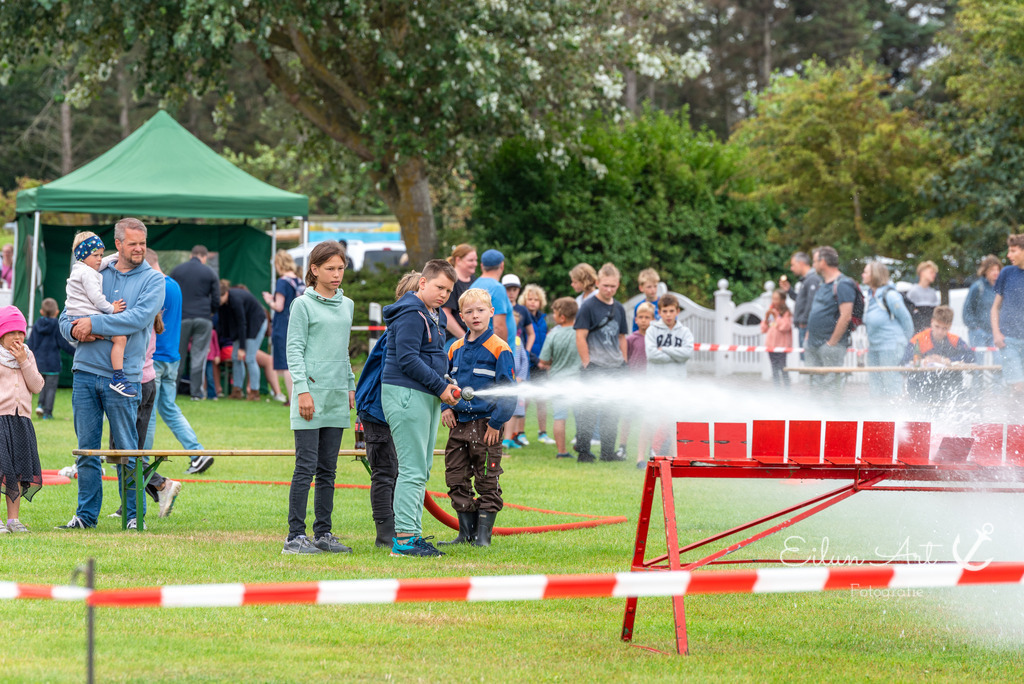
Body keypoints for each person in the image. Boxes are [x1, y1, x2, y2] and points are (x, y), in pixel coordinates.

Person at [56, 217, 165, 530]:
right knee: (86, 449)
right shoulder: (93, 269)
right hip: (85, 372)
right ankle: (85, 516)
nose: (139, 249)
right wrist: (75, 331)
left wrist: (95, 324)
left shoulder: (153, 280)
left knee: (127, 450)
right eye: (132, 243)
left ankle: (133, 516)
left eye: (142, 243)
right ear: (118, 244)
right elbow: (67, 315)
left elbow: (137, 319)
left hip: (124, 376)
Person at [381, 259, 460, 557]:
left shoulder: (432, 314)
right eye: (439, 287)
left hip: (424, 395)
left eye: (449, 290)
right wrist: (441, 387)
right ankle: (403, 541)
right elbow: (407, 359)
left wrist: (444, 383)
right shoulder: (412, 314)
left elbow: (428, 358)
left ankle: (412, 534)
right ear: (423, 283)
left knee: (421, 469)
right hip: (406, 394)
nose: (443, 294)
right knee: (413, 470)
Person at [282, 240, 356, 555]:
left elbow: (343, 352)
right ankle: (294, 537)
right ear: (314, 270)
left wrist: (351, 384)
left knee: (328, 469)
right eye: (330, 268)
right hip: (309, 396)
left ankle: (323, 533)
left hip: (338, 395)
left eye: (340, 268)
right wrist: (302, 391)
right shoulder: (302, 304)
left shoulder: (348, 305)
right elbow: (293, 350)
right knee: (306, 466)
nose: (337, 274)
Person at [439, 288, 516, 547]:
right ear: (461, 316)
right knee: (455, 476)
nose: (475, 316)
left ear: (491, 312)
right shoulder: (455, 349)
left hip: (486, 426)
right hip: (459, 424)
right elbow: (445, 383)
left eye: (480, 310)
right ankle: (465, 534)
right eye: (469, 312)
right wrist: (446, 408)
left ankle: (483, 537)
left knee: (486, 478)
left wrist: (496, 422)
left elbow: (509, 391)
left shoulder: (500, 348)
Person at [354, 271, 422, 548]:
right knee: (385, 470)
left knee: (398, 469)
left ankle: (401, 528)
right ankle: (385, 534)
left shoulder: (411, 325)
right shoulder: (402, 327)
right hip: (378, 409)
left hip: (393, 408)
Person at [144, 250, 210, 476]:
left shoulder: (155, 286)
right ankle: (197, 453)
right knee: (169, 408)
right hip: (172, 357)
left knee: (148, 411)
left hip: (155, 358)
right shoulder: (174, 285)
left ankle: (141, 460)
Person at [65, 232, 133, 397]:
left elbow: (102, 263)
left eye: (101, 255)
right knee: (120, 338)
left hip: (75, 317)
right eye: (96, 255)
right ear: (83, 255)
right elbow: (96, 297)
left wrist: (118, 254)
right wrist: (111, 308)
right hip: (87, 316)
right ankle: (118, 377)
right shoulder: (88, 274)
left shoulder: (81, 268)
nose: (99, 259)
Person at [574, 262, 629, 463]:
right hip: (594, 366)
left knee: (612, 411)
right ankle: (584, 452)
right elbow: (580, 337)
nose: (609, 289)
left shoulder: (619, 308)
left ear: (618, 285)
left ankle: (608, 452)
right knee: (588, 411)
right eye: (605, 285)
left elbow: (622, 337)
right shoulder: (588, 306)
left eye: (613, 286)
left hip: (615, 366)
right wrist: (587, 363)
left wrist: (624, 362)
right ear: (597, 282)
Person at [0, 306, 44, 533]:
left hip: (21, 421)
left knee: (17, 471)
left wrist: (24, 361)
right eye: (11, 333)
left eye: (21, 332)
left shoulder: (28, 355)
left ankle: (13, 520)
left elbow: (37, 386)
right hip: (0, 420)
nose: (17, 337)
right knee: (1, 469)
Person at [804, 246, 857, 395]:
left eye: (815, 261)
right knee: (814, 388)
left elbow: (845, 316)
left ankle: (833, 416)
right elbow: (815, 312)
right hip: (813, 344)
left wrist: (831, 343)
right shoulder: (822, 284)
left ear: (823, 262)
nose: (813, 265)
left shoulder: (843, 284)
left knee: (831, 388)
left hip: (830, 346)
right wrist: (808, 337)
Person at [645, 294, 694, 454]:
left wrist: (665, 349)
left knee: (674, 420)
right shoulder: (652, 330)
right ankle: (653, 451)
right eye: (664, 311)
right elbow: (652, 355)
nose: (668, 315)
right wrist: (675, 355)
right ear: (659, 312)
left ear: (677, 311)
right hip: (656, 383)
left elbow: (687, 353)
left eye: (671, 311)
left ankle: (674, 455)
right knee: (655, 419)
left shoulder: (685, 331)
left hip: (677, 383)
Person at [170, 245, 220, 400]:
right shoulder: (210, 272)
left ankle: (172, 390)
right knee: (199, 356)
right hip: (203, 318)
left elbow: (170, 292)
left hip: (182, 318)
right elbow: (216, 299)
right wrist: (210, 311)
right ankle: (196, 393)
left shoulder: (177, 270)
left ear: (192, 255)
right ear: (204, 257)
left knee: (178, 355)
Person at [861, 261, 914, 399]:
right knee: (875, 385)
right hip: (875, 347)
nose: (863, 274)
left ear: (875, 275)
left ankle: (895, 416)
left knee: (891, 384)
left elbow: (906, 320)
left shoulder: (890, 295)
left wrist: (904, 343)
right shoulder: (870, 296)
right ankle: (877, 416)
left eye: (866, 272)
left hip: (891, 346)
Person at [537, 297, 581, 460]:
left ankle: (561, 451)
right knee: (580, 416)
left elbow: (543, 360)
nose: (553, 317)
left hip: (558, 382)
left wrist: (548, 363)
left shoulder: (553, 334)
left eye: (555, 313)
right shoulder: (581, 333)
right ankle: (581, 445)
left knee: (559, 417)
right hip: (578, 381)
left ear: (562, 317)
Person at [902, 305, 974, 402]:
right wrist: (922, 361)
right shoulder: (919, 339)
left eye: (944, 328)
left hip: (948, 386)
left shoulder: (954, 340)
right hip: (921, 387)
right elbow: (905, 361)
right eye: (937, 327)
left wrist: (948, 361)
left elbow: (971, 356)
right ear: (932, 322)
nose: (940, 332)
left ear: (950, 327)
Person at [262, 250, 304, 402]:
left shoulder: (282, 281)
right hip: (296, 323)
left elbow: (279, 306)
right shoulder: (298, 280)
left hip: (283, 325)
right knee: (297, 361)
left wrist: (269, 301)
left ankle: (292, 399)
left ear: (279, 264)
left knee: (286, 364)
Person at [27, 298, 75, 419]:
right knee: (51, 388)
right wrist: (77, 352)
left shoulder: (37, 324)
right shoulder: (57, 325)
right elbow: (63, 344)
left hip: (38, 363)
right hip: (53, 364)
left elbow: (31, 344)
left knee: (41, 385)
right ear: (57, 312)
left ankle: (40, 406)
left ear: (41, 311)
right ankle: (47, 412)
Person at [219, 280, 267, 400]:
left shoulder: (235, 299)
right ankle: (237, 391)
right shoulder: (223, 304)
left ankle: (255, 393)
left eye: (219, 297)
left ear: (225, 294)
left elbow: (242, 323)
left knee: (250, 358)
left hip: (257, 323)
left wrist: (242, 348)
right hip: (245, 326)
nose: (217, 300)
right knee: (235, 357)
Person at [502, 274, 533, 448]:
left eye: (515, 289)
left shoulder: (518, 342)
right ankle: (503, 438)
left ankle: (510, 438)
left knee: (517, 409)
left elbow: (524, 361)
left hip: (518, 381)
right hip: (506, 378)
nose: (511, 293)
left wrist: (520, 376)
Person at [520, 283, 553, 445]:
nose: (533, 302)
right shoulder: (522, 318)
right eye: (529, 299)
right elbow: (524, 342)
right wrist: (536, 361)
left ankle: (543, 433)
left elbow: (546, 341)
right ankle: (520, 433)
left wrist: (546, 360)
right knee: (524, 400)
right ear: (524, 301)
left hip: (542, 364)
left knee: (542, 400)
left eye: (536, 299)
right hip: (529, 364)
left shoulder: (543, 319)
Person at [992, 234, 1024, 395]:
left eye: (1013, 251)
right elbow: (995, 307)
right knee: (1017, 386)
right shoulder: (1006, 272)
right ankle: (1015, 420)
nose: (1008, 255)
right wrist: (996, 333)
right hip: (1008, 340)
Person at [469, 250, 514, 357]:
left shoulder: (473, 286)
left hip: (478, 350)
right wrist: (503, 355)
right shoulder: (497, 288)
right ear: (502, 265)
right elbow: (499, 326)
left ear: (481, 266)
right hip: (495, 353)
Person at [625, 301, 654, 468]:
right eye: (641, 317)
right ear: (636, 319)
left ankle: (651, 450)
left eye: (647, 317)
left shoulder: (655, 338)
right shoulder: (631, 339)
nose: (644, 320)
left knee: (648, 418)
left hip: (649, 384)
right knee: (628, 416)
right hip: (633, 384)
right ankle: (622, 447)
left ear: (653, 319)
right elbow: (627, 358)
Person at [779, 251, 822, 355]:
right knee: (806, 358)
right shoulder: (807, 280)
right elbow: (803, 301)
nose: (791, 268)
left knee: (809, 359)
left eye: (793, 265)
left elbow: (811, 303)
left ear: (801, 263)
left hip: (807, 326)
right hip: (805, 325)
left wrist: (804, 321)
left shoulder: (812, 279)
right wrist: (790, 291)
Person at [963, 254, 1002, 363]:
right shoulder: (977, 287)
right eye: (992, 269)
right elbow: (967, 310)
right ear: (985, 271)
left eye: (997, 269)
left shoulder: (1000, 288)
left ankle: (996, 381)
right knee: (978, 364)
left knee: (998, 363)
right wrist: (975, 327)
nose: (996, 272)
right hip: (978, 332)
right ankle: (977, 380)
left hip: (995, 332)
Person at [441, 244, 477, 347]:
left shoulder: (475, 281)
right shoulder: (451, 281)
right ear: (458, 260)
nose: (475, 264)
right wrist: (465, 338)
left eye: (476, 260)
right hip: (453, 341)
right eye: (470, 260)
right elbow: (445, 314)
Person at [760, 289, 793, 389]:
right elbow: (763, 329)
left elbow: (785, 327)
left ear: (782, 300)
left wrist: (776, 317)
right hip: (771, 346)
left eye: (776, 299)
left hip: (781, 346)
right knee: (774, 369)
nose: (774, 301)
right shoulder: (771, 312)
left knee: (783, 368)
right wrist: (766, 319)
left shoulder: (786, 313)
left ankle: (787, 389)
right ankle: (777, 390)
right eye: (773, 299)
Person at [908, 260, 940, 333]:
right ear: (922, 273)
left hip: (930, 332)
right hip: (916, 332)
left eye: (935, 273)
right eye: (931, 272)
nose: (934, 275)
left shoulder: (932, 293)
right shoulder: (913, 292)